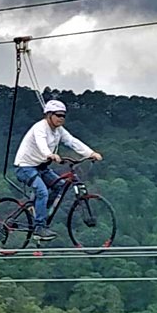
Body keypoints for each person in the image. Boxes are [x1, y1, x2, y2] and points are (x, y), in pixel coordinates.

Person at [13, 99, 103, 240]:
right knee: (42, 191)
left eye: (63, 116)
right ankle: (39, 228)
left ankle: (38, 211)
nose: (61, 118)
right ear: (49, 115)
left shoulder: (59, 131)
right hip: (25, 167)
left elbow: (72, 142)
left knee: (59, 186)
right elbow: (41, 143)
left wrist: (91, 153)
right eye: (58, 115)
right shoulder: (40, 128)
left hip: (41, 167)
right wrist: (49, 154)